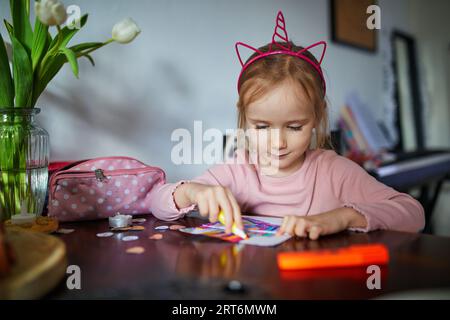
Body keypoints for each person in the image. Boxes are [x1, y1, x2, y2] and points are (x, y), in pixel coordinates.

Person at [149, 11, 424, 240]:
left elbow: (413, 213)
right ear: (244, 118)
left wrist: (343, 216)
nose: (277, 143)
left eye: (294, 127)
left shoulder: (334, 172)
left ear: (317, 117)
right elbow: (156, 202)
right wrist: (191, 191)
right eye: (261, 127)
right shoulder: (238, 171)